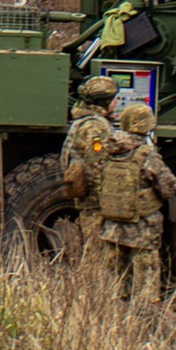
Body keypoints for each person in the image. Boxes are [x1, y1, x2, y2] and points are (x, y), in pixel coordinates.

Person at [96, 103, 176, 305]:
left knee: (113, 286)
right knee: (146, 282)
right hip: (142, 227)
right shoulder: (146, 155)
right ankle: (144, 325)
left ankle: (113, 322)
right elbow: (170, 188)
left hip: (112, 226)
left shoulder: (107, 150)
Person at [61, 74, 121, 264]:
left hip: (92, 200)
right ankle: (95, 288)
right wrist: (109, 198)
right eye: (114, 99)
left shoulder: (89, 121)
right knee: (97, 252)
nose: (117, 102)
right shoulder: (94, 127)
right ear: (104, 102)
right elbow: (97, 165)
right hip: (94, 202)